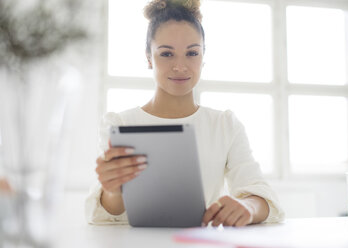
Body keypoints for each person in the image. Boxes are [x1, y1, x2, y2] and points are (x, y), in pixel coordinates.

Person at [85, 0, 284, 227]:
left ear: (203, 56)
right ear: (149, 58)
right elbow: (105, 216)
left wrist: (248, 206)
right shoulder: (119, 124)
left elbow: (260, 194)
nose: (180, 66)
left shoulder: (224, 124)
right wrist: (112, 190)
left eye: (192, 53)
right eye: (167, 54)